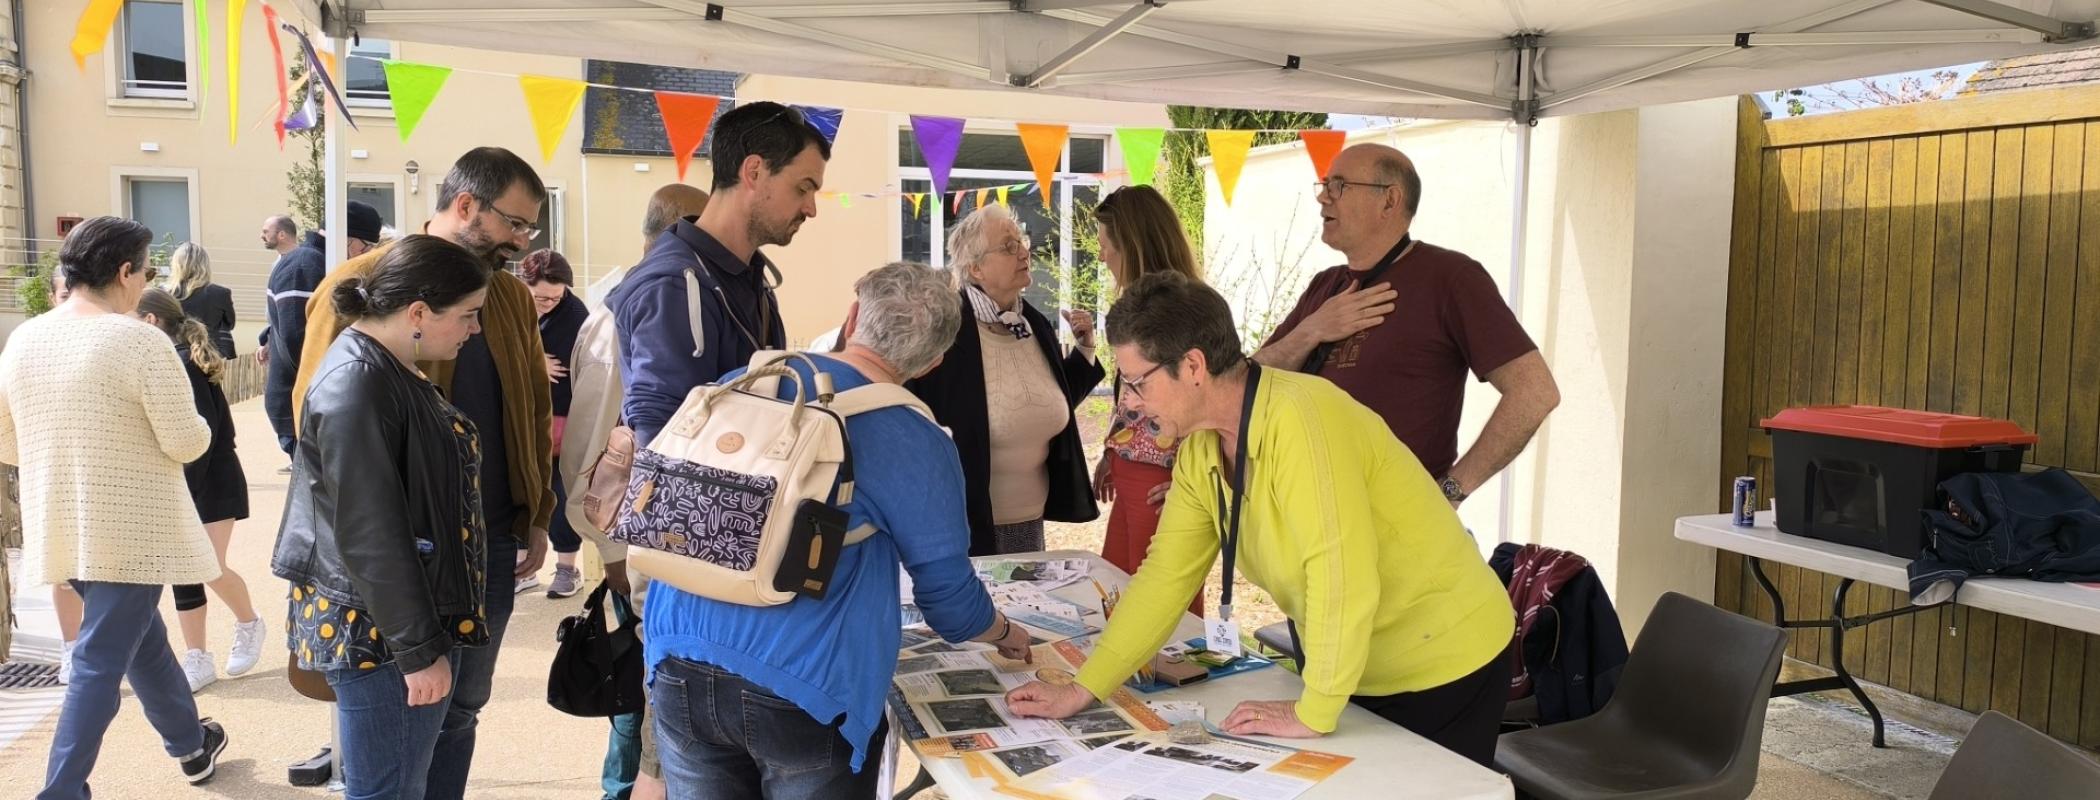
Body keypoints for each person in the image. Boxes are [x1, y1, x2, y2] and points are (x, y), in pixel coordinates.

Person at [1006, 272, 1516, 766]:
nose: (1131, 403)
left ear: (1193, 366)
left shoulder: (1302, 421)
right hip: (1351, 667)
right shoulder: (1201, 446)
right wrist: (1084, 687)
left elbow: (1340, 576)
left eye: (1138, 383)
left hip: (1444, 659)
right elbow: (1165, 576)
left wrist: (1315, 709)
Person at [645, 262, 1033, 799]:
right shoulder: (914, 437)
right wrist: (1006, 633)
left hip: (677, 656)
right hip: (803, 685)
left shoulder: (742, 382)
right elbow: (951, 603)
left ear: (852, 319)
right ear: (934, 361)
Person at [291, 149, 554, 800]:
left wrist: (536, 512)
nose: (524, 242)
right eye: (516, 223)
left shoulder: (510, 297)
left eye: (531, 228)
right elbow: (324, 435)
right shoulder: (363, 284)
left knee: (459, 711)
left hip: (487, 541)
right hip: (403, 563)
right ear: (466, 205)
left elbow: (531, 405)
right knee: (400, 737)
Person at [1, 217, 230, 797]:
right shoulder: (140, 340)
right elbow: (186, 441)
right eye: (147, 271)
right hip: (132, 529)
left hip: (59, 519)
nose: (148, 281)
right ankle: (61, 790)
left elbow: (7, 437)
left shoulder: (25, 337)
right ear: (125, 273)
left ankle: (191, 746)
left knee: (141, 643)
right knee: (100, 661)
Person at [271, 235, 494, 800]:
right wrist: (418, 651)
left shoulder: (383, 367)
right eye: (468, 314)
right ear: (418, 312)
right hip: (380, 633)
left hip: (391, 625)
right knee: (387, 790)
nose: (474, 329)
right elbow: (369, 532)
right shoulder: (359, 380)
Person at [1252, 143, 1558, 509]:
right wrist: (1311, 331)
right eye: (1325, 184)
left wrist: (1450, 491)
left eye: (1339, 185)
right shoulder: (1325, 285)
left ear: (1389, 200)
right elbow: (1248, 384)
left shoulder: (1449, 278)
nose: (1323, 198)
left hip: (1392, 522)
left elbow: (1534, 392)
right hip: (1308, 513)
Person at [571, 182, 710, 800]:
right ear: (682, 230)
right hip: (633, 542)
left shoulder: (678, 299)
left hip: (650, 537)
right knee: (639, 689)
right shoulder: (632, 314)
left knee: (645, 688)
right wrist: (613, 552)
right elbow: (592, 451)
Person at [611, 101, 822, 450]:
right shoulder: (674, 287)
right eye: (803, 188)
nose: (811, 208)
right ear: (754, 172)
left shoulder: (751, 280)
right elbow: (661, 447)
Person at [905, 203, 1103, 556]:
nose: (1024, 252)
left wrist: (1084, 351)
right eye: (1009, 246)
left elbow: (1045, 403)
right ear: (976, 268)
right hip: (965, 526)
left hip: (1031, 521)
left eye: (1022, 241)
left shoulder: (1034, 324)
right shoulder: (944, 332)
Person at [134, 290, 265, 693]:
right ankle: (197, 656)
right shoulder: (167, 361)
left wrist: (178, 491)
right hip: (186, 478)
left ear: (151, 321)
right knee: (184, 569)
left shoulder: (183, 365)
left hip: (210, 479)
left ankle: (249, 622)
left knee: (207, 565)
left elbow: (201, 437)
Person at [1087, 186, 1203, 594]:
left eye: (1106, 246)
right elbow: (1132, 394)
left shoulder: (1187, 311)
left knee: (1158, 600)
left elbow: (1209, 399)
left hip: (1161, 479)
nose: (1101, 257)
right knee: (1116, 591)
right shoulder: (1137, 311)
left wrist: (1195, 481)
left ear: (1132, 246)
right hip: (1133, 470)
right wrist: (1113, 449)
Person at [520, 249, 589, 598]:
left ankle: (567, 568)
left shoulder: (577, 315)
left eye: (555, 297)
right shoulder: (513, 306)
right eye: (540, 297)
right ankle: (523, 568)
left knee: (561, 494)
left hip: (564, 417)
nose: (547, 304)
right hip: (523, 416)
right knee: (523, 491)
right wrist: (535, 361)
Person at [261, 214, 328, 458]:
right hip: (297, 404)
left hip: (299, 402)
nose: (262, 236)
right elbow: (294, 336)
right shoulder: (304, 265)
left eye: (265, 230)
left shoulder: (306, 261)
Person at [165, 244, 237, 359]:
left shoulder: (164, 294)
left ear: (176, 264)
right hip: (212, 356)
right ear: (205, 265)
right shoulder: (220, 293)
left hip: (175, 355)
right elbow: (230, 324)